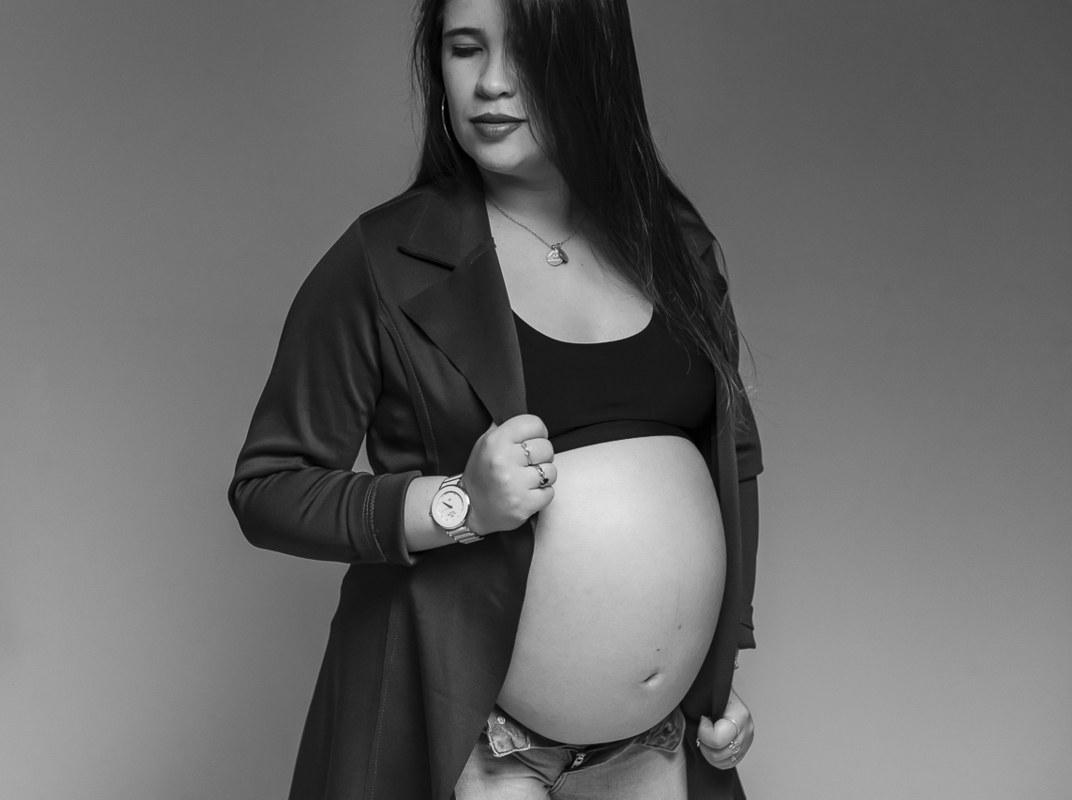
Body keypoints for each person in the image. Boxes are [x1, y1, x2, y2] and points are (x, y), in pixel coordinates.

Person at [228, 0, 764, 797]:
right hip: (481, 752)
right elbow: (268, 487)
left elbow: (734, 461)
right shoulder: (384, 258)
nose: (492, 83)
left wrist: (719, 669)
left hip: (658, 747)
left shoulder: (674, 244)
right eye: (465, 48)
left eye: (529, 52)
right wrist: (459, 504)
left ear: (592, 61)